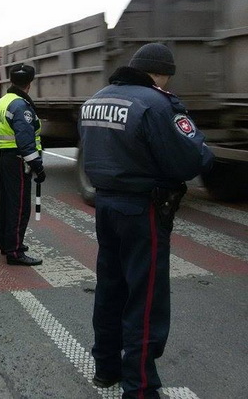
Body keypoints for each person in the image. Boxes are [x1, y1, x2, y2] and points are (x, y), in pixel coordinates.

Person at [78, 43, 214, 398]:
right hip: (143, 211)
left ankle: (105, 368)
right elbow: (188, 161)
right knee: (146, 296)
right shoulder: (157, 103)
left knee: (110, 287)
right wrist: (203, 151)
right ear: (161, 73)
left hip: (106, 205)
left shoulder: (96, 99)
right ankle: (139, 387)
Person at [0, 64, 44, 266]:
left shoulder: (3, 102)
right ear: (29, 83)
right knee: (19, 206)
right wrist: (38, 166)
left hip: (6, 157)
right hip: (19, 160)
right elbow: (25, 141)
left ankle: (7, 243)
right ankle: (14, 251)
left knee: (7, 203)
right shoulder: (21, 105)